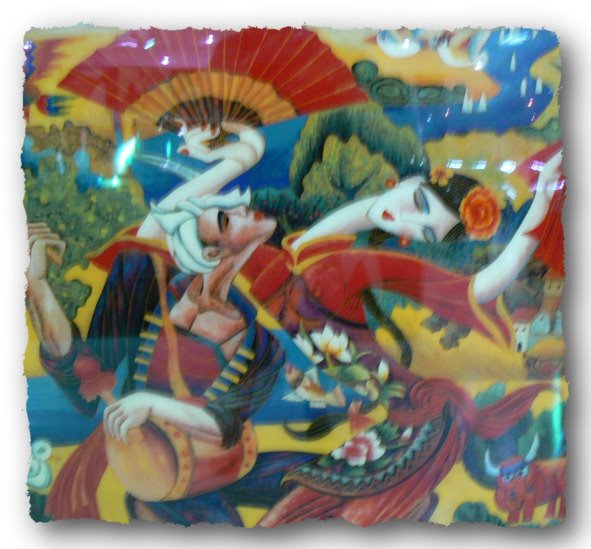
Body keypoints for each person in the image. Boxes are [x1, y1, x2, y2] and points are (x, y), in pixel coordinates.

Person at [26, 122, 562, 524]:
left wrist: (541, 204)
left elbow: (483, 285)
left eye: (423, 229)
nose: (407, 220)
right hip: (192, 452)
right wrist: (243, 156)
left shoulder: (347, 264)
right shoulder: (279, 259)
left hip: (403, 414)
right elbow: (161, 229)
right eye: (417, 200)